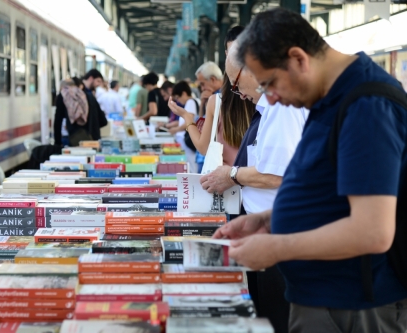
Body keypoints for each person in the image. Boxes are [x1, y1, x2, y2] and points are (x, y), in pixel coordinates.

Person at [219, 7, 407, 333]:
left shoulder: (366, 107)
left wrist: (277, 247)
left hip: (353, 304)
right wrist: (268, 220)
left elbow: (372, 232)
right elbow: (332, 196)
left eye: (270, 84)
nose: (272, 100)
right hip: (324, 297)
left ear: (298, 59)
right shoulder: (327, 99)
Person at [201, 39, 308, 332]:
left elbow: (280, 174)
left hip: (280, 235)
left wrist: (232, 175)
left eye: (236, 84)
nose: (238, 94)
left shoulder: (282, 109)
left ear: (252, 70)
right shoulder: (270, 108)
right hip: (266, 227)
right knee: (265, 312)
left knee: (277, 317)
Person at [169, 26, 256, 167]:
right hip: (256, 184)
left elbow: (203, 148)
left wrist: (187, 117)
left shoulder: (217, 102)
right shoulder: (269, 100)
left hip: (227, 184)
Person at [54, 78, 108, 147]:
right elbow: (103, 121)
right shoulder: (89, 96)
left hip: (75, 141)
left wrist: (57, 143)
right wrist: (92, 127)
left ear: (62, 87)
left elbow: (57, 122)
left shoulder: (63, 96)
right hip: (94, 141)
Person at [163, 81, 199, 173]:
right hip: (186, 138)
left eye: (178, 98)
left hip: (188, 138)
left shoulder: (191, 102)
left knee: (191, 165)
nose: (178, 101)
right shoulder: (191, 102)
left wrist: (176, 129)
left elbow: (189, 121)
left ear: (184, 93)